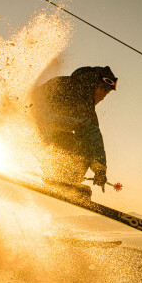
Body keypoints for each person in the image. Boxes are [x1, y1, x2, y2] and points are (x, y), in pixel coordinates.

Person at [34, 66, 117, 200]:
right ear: (98, 88)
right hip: (39, 123)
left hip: (27, 121)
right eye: (105, 93)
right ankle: (62, 180)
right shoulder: (82, 100)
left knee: (68, 141)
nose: (103, 98)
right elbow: (93, 139)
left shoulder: (67, 83)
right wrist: (100, 170)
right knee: (85, 147)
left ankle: (59, 178)